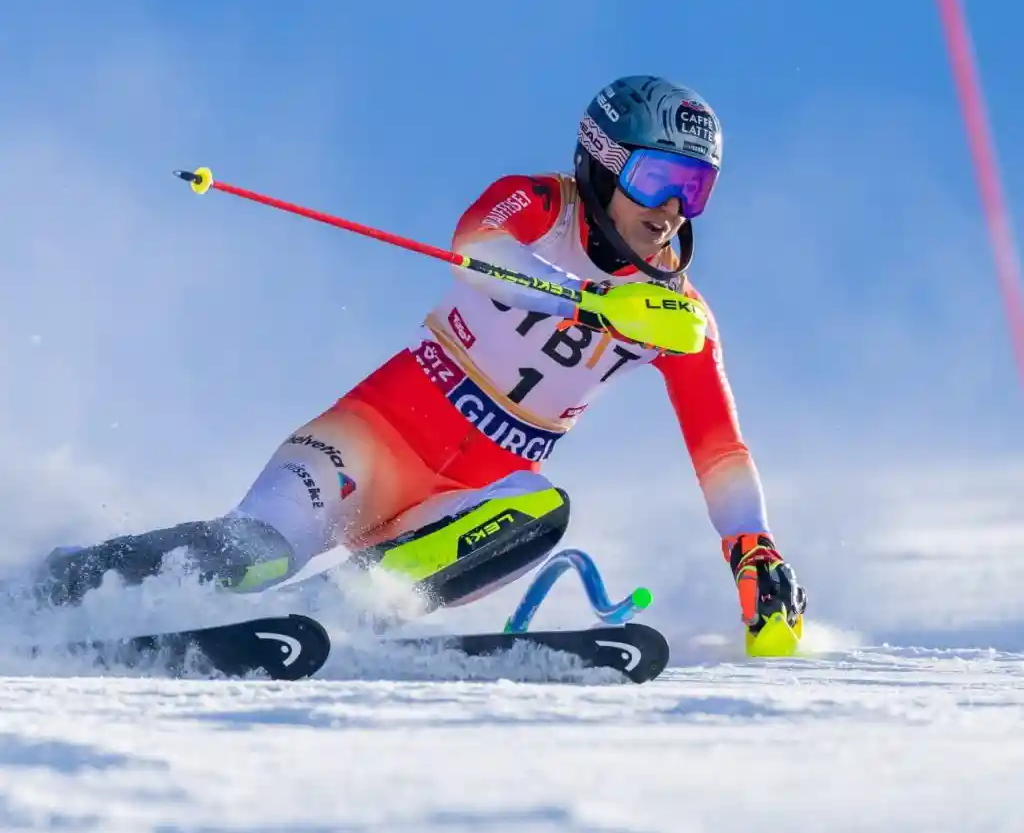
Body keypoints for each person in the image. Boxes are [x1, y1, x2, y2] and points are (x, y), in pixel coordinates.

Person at [37, 75, 806, 638]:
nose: (672, 210)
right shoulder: (542, 205)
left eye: (695, 189)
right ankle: (59, 583)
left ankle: (336, 612)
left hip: (462, 505)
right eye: (658, 179)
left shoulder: (678, 317)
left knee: (541, 506)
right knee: (254, 554)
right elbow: (477, 248)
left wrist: (753, 550)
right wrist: (592, 301)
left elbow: (719, 446)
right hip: (373, 441)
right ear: (602, 165)